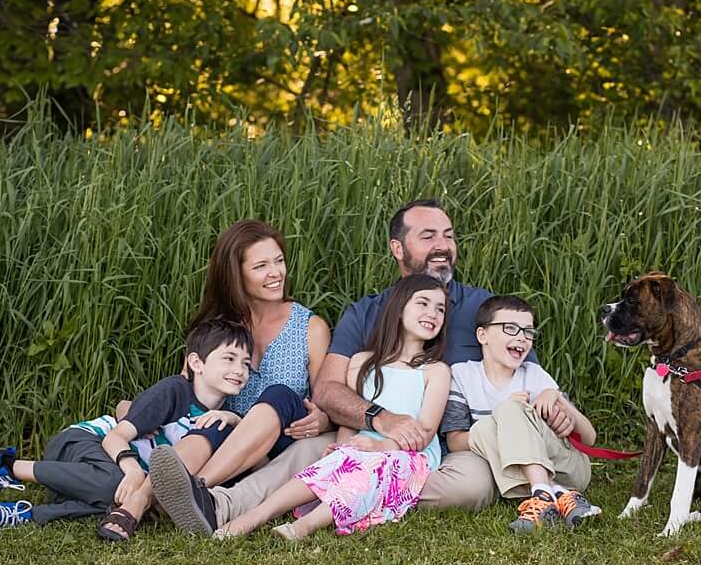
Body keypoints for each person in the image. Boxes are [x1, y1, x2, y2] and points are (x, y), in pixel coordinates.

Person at [181, 198, 518, 534]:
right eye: (428, 236)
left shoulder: (484, 308)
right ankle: (222, 504)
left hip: (454, 446)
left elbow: (523, 375)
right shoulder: (366, 313)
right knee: (312, 451)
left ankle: (355, 492)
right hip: (368, 436)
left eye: (448, 235)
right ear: (397, 248)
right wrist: (378, 421)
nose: (443, 246)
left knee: (472, 485)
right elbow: (328, 389)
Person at [158, 275, 447, 543]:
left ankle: (302, 527)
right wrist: (343, 447)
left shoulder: (436, 370)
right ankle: (252, 516)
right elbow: (350, 415)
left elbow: (424, 432)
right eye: (423, 303)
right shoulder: (362, 362)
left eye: (440, 310)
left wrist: (379, 445)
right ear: (398, 309)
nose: (432, 314)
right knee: (330, 467)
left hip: (408, 456)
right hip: (363, 446)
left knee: (367, 468)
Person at [0, 318, 252, 541]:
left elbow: (251, 459)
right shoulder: (174, 391)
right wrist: (133, 469)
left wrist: (236, 421)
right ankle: (5, 465)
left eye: (246, 363)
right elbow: (116, 435)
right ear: (196, 362)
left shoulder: (225, 418)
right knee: (120, 487)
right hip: (86, 443)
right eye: (229, 358)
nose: (239, 370)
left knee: (127, 501)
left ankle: (16, 515)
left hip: (106, 474)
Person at [164, 218, 332, 490]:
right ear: (236, 274)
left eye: (279, 261)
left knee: (279, 394)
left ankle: (195, 487)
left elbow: (326, 400)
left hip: (282, 445)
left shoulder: (310, 328)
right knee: (213, 427)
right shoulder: (217, 329)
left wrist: (323, 420)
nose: (276, 272)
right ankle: (150, 496)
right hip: (223, 442)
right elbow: (187, 395)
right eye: (261, 266)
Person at [452, 293, 601, 530]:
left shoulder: (535, 376)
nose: (522, 338)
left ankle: (542, 495)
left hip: (568, 468)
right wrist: (504, 421)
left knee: (510, 409)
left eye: (528, 331)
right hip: (525, 472)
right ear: (483, 335)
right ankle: (558, 495)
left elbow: (590, 438)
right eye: (510, 328)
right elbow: (455, 442)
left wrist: (560, 403)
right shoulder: (462, 375)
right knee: (504, 413)